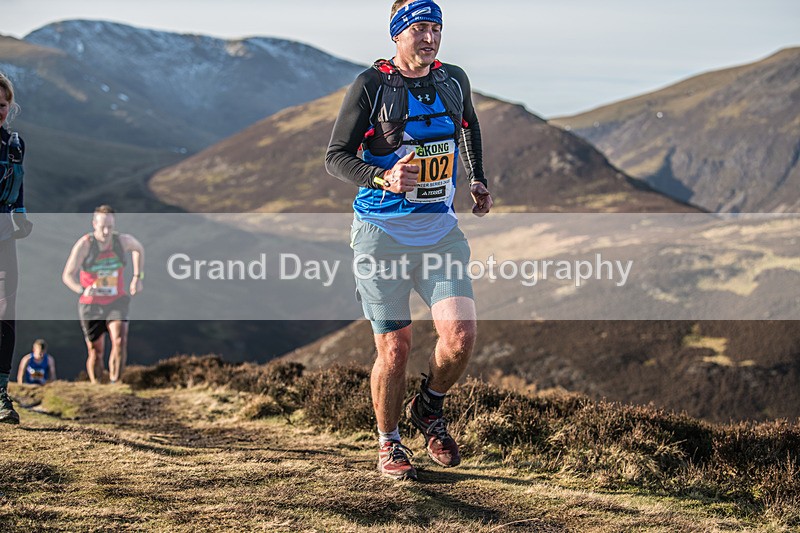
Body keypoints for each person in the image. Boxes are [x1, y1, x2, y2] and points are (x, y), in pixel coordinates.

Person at [326, 0, 493, 480]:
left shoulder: (452, 79)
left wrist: (477, 179)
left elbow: (469, 127)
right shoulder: (371, 86)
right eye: (419, 27)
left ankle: (429, 407)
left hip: (440, 233)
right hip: (381, 233)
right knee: (395, 349)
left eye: (436, 27)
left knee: (460, 337)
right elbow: (335, 157)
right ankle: (390, 443)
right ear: (397, 35)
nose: (430, 37)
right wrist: (382, 178)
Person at [62, 205, 144, 384]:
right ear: (94, 224)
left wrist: (137, 277)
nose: (106, 231)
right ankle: (97, 385)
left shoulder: (121, 241)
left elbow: (138, 248)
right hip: (91, 303)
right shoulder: (85, 245)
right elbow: (67, 275)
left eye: (110, 227)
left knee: (120, 340)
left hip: (116, 300)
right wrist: (82, 289)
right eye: (102, 227)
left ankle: (116, 382)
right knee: (95, 350)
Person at [0, 72, 33, 424]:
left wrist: (21, 216)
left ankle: (1, 396)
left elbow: (18, 187)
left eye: (2, 104)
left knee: (7, 313)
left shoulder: (15, 144)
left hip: (4, 237)